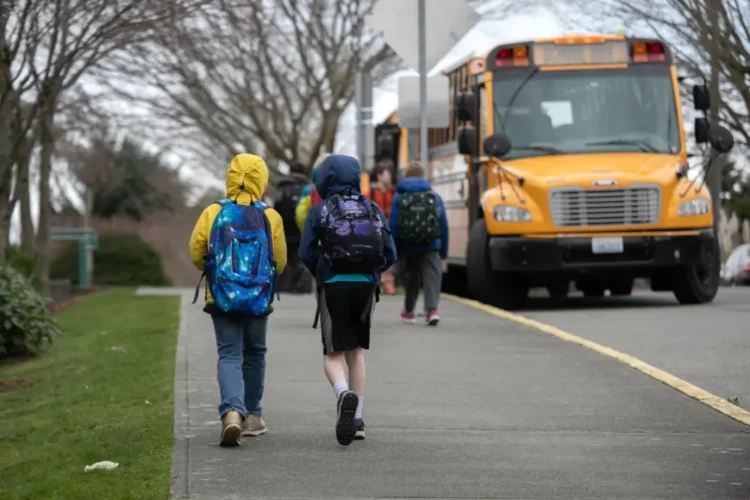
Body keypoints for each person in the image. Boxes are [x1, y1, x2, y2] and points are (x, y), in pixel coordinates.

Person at [189, 153, 287, 447]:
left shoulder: (213, 213)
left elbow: (197, 252)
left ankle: (232, 412)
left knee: (230, 354)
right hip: (259, 299)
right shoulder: (270, 216)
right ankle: (253, 416)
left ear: (230, 178)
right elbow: (279, 261)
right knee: (255, 353)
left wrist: (217, 272)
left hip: (223, 297)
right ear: (262, 180)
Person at [299, 154, 397, 446]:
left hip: (333, 285)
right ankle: (358, 419)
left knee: (333, 355)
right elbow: (391, 253)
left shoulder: (319, 211)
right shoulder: (373, 208)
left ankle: (343, 395)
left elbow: (305, 252)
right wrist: (370, 270)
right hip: (366, 286)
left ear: (324, 178)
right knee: (356, 353)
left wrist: (324, 267)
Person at [389, 161, 448, 326]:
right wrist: (443, 252)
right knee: (432, 277)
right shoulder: (434, 197)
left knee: (411, 278)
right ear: (423, 176)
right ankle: (432, 311)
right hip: (432, 244)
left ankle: (409, 312)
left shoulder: (399, 197)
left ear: (405, 176)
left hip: (407, 245)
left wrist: (392, 249)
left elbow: (393, 224)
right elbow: (443, 225)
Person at [275, 161, 312, 293]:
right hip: (300, 227)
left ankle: (284, 285)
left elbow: (276, 206)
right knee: (299, 256)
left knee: (285, 255)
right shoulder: (307, 187)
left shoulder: (281, 186)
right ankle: (301, 285)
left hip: (283, 227)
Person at [368, 160, 397, 295]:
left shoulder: (394, 192)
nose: (389, 177)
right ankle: (380, 282)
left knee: (389, 255)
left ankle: (389, 284)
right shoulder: (371, 193)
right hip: (375, 231)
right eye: (387, 174)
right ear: (379, 176)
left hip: (390, 229)